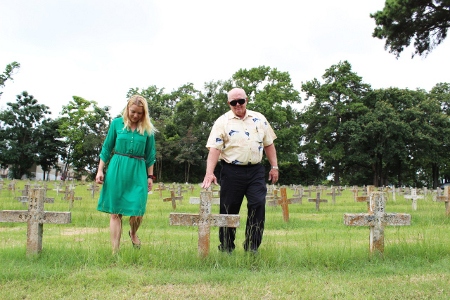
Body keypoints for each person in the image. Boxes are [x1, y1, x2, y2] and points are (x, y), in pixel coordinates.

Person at [201, 87, 279, 254]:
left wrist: (274, 167)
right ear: (229, 103)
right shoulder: (222, 122)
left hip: (255, 171)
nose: (238, 105)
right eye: (233, 102)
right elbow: (214, 148)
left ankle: (252, 247)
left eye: (241, 101)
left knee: (258, 205)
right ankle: (227, 247)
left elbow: (269, 144)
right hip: (231, 171)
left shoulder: (259, 119)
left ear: (246, 100)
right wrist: (210, 172)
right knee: (229, 209)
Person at [95, 95, 157, 254]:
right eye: (133, 112)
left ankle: (133, 232)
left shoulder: (147, 130)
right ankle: (115, 251)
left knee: (138, 210)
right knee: (115, 212)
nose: (136, 116)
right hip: (117, 169)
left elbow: (150, 155)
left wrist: (150, 177)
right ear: (127, 109)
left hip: (138, 171)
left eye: (140, 113)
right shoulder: (116, 124)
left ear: (144, 113)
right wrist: (100, 169)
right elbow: (107, 148)